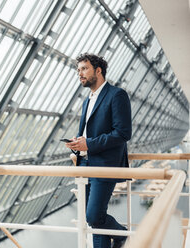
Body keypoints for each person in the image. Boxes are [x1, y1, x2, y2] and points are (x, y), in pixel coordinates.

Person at [65, 53, 132, 248]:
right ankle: (118, 237)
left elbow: (123, 133)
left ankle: (121, 235)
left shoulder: (116, 95)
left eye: (84, 69)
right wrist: (78, 143)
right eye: (78, 70)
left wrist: (90, 144)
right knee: (93, 219)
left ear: (98, 70)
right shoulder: (88, 100)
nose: (80, 74)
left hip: (105, 164)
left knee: (94, 215)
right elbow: (89, 132)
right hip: (85, 162)